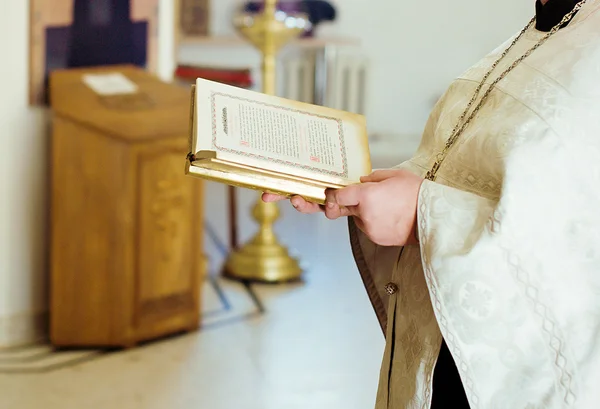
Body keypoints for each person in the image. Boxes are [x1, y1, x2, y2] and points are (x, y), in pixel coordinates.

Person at [263, 0, 600, 407]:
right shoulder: (542, 28)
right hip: (443, 342)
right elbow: (468, 170)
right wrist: (356, 187)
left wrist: (427, 213)